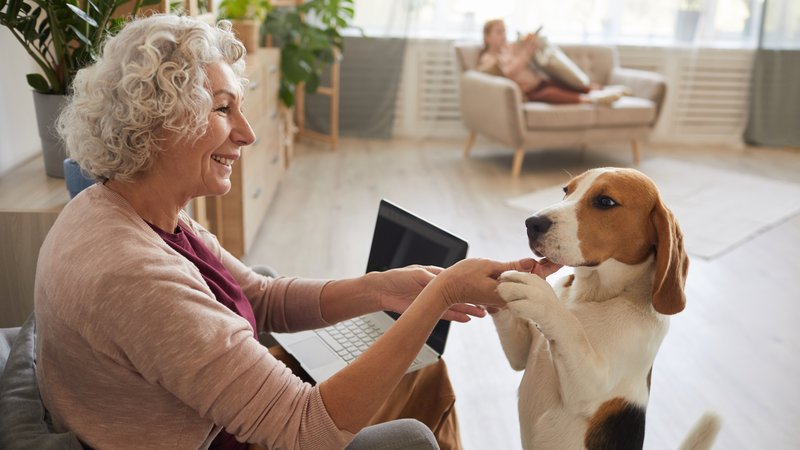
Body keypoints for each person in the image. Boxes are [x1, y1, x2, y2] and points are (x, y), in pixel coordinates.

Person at [37, 13, 562, 450]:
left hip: (208, 410)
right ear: (157, 123)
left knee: (422, 370)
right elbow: (306, 429)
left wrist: (381, 288)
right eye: (223, 109)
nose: (248, 132)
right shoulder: (135, 273)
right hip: (227, 437)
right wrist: (441, 293)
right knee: (414, 410)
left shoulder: (132, 208)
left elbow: (260, 296)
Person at [478, 19, 625, 105]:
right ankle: (591, 100)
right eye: (498, 32)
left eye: (504, 31)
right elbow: (508, 72)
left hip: (540, 81)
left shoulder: (510, 48)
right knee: (551, 93)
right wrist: (525, 53)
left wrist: (528, 43)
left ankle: (605, 90)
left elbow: (525, 47)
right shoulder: (488, 58)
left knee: (569, 84)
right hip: (529, 91)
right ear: (487, 37)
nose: (503, 35)